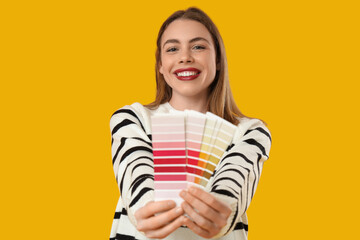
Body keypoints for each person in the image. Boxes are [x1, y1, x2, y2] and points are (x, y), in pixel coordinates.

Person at [109, 7, 271, 240]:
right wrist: (144, 210)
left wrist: (221, 213)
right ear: (161, 66)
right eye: (173, 49)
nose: (185, 57)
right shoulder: (133, 118)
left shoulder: (249, 132)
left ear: (218, 60)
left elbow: (234, 188)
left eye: (198, 46)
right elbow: (136, 177)